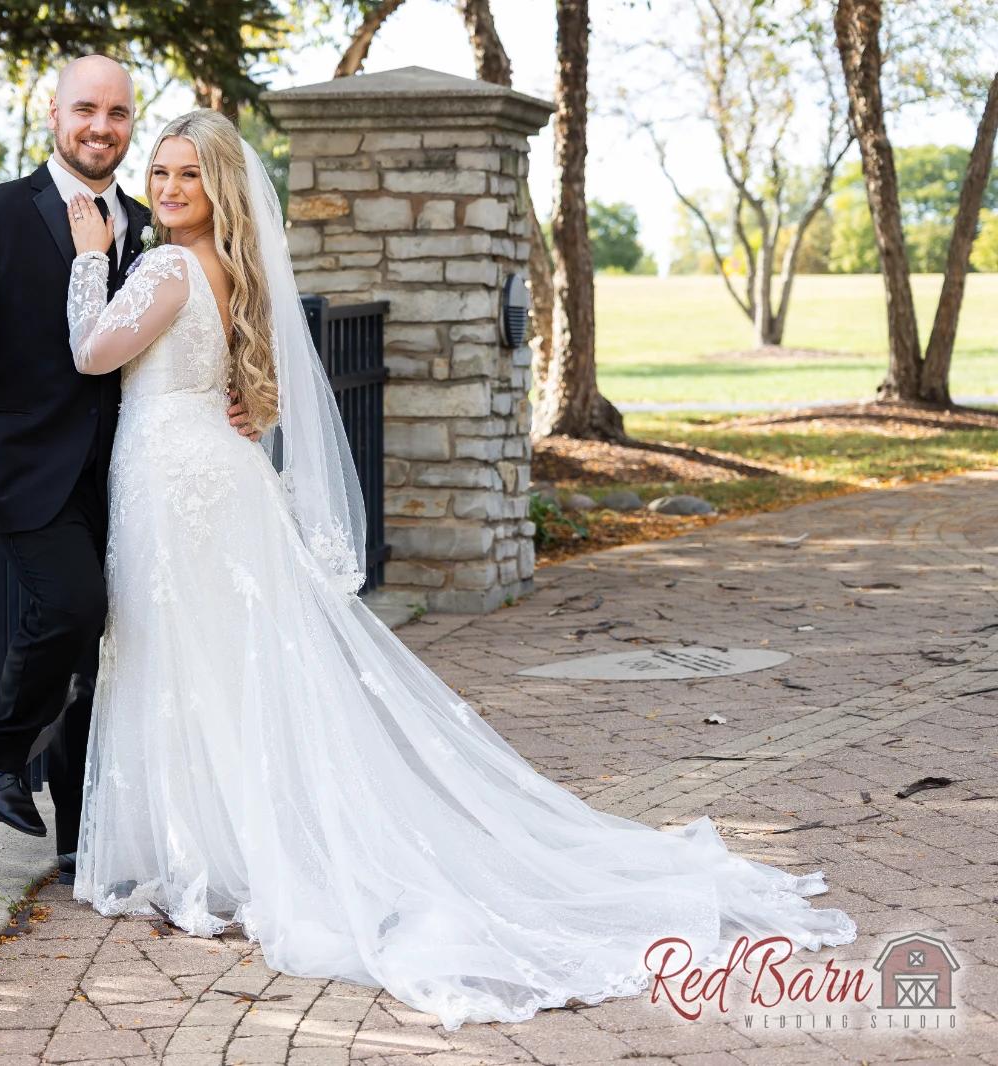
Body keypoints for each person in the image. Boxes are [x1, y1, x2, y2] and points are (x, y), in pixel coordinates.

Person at [59, 108, 858, 1028]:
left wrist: (89, 255)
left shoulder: (161, 265)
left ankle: (204, 853)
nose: (166, 189)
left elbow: (93, 352)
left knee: (184, 655)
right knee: (225, 660)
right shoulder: (235, 270)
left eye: (186, 175)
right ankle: (220, 845)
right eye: (159, 173)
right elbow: (261, 392)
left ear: (220, 186)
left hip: (171, 481)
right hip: (215, 475)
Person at [0, 57, 258, 884]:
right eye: (85, 111)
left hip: (132, 469)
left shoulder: (148, 222)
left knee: (124, 649)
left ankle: (82, 827)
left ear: (131, 123)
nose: (101, 127)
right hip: (29, 465)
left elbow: (187, 330)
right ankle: (0, 749)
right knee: (72, 608)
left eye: (118, 114)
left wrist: (234, 397)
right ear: (55, 116)